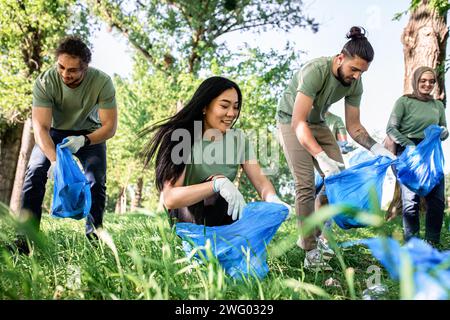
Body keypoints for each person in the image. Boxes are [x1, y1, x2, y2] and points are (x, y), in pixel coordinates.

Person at [276, 26, 396, 271]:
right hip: (291, 120)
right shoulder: (315, 71)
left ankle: (312, 236)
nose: (356, 76)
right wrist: (320, 157)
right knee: (305, 184)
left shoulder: (355, 83)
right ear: (340, 58)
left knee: (336, 181)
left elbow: (353, 126)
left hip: (318, 123)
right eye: (354, 69)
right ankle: (310, 252)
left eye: (362, 72)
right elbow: (299, 122)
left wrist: (376, 148)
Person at [15, 36, 117, 253]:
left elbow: (110, 127)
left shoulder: (102, 82)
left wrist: (84, 140)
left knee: (96, 180)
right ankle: (25, 240)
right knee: (34, 171)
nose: (64, 74)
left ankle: (94, 239)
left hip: (90, 133)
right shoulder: (46, 81)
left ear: (85, 69)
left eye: (71, 70)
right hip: (55, 132)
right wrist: (55, 161)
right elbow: (40, 127)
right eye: (61, 67)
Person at [142, 76, 289, 227]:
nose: (232, 113)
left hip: (222, 215)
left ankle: (230, 237)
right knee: (218, 184)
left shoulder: (238, 140)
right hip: (187, 219)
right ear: (204, 107)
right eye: (224, 106)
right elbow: (170, 198)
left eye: (236, 107)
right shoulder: (182, 137)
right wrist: (216, 184)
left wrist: (274, 201)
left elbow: (261, 183)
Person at [386, 66, 448, 247]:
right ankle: (412, 243)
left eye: (431, 81)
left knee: (436, 199)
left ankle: (431, 241)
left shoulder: (437, 105)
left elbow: (445, 130)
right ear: (416, 81)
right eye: (423, 80)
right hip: (409, 152)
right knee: (410, 201)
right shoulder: (404, 102)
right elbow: (391, 128)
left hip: (431, 154)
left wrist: (442, 132)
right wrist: (409, 145)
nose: (427, 84)